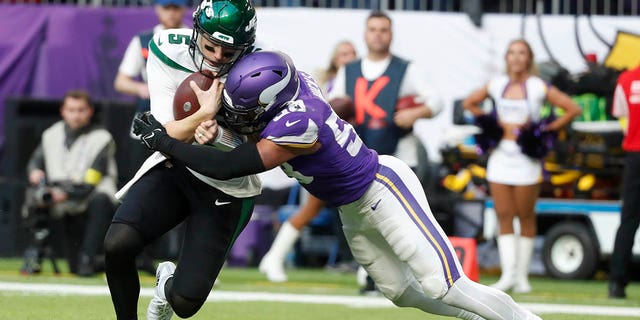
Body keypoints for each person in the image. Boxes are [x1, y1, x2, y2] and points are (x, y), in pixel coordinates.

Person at [133, 50, 542, 320]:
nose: (238, 117)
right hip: (352, 209)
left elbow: (234, 165)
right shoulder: (292, 84)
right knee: (402, 292)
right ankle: (481, 316)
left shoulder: (297, 122)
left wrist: (165, 140)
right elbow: (246, 116)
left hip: (383, 188)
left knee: (444, 283)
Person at [103, 1, 260, 319]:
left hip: (227, 187)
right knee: (118, 244)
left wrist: (219, 136)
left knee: (184, 303)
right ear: (196, 33)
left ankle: (165, 287)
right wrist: (204, 114)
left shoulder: (259, 72)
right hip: (177, 164)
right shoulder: (164, 48)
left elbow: (257, 151)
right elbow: (166, 133)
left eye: (228, 53)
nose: (217, 58)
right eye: (211, 46)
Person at [327, 10, 442, 293]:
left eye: (383, 30)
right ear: (365, 34)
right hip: (361, 158)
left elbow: (436, 101)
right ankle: (373, 276)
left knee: (404, 224)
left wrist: (417, 112)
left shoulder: (406, 68)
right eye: (373, 29)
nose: (378, 35)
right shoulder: (349, 70)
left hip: (400, 156)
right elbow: (332, 106)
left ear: (391, 34)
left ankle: (422, 275)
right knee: (368, 224)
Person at [462, 39, 582, 293]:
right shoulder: (496, 85)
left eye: (522, 53)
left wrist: (544, 130)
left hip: (527, 159)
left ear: (529, 58)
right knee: (504, 215)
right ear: (506, 58)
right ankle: (508, 276)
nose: (516, 58)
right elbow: (469, 103)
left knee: (525, 216)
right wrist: (492, 124)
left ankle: (523, 277)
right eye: (512, 53)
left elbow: (572, 109)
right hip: (500, 158)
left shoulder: (538, 87)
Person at [258, 40, 357, 283]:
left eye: (351, 54)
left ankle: (367, 272)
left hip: (348, 151)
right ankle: (274, 257)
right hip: (325, 155)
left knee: (358, 213)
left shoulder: (359, 78)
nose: (347, 58)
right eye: (343, 54)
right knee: (312, 209)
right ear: (335, 57)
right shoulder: (326, 83)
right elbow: (326, 113)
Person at [26, 89, 118, 277]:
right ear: (63, 111)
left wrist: (65, 194)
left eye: (81, 110)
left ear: (90, 111)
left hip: (91, 196)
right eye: (71, 110)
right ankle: (34, 255)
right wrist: (35, 172)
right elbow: (35, 162)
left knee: (101, 199)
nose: (76, 115)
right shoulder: (50, 134)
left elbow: (92, 180)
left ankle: (89, 259)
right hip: (63, 198)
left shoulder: (102, 138)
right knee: (34, 198)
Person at [114, 0, 188, 174]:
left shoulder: (193, 38)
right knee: (140, 175)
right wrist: (142, 88)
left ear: (183, 9)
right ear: (157, 9)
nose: (171, 13)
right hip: (150, 112)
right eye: (166, 8)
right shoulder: (143, 40)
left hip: (184, 114)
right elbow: (121, 81)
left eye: (175, 8)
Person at [609, 63, 640, 299]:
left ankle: (617, 284)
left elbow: (622, 117)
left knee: (628, 220)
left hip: (635, 155)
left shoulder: (627, 80)